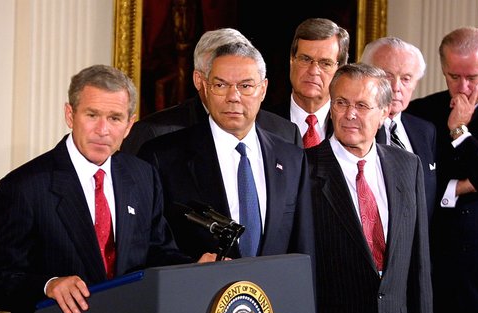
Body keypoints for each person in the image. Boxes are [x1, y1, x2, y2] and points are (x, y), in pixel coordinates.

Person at [0, 64, 216, 313]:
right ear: (69, 114)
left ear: (130, 124)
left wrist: (193, 269)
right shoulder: (23, 187)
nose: (103, 130)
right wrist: (48, 285)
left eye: (115, 118)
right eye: (92, 115)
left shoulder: (142, 177)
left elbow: (155, 250)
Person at [306, 63, 433, 313]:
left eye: (361, 105)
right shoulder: (302, 169)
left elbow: (418, 260)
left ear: (385, 112)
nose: (350, 114)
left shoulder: (408, 165)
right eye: (341, 103)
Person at [137, 42, 315, 264]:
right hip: (197, 294)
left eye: (246, 86)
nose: (234, 96)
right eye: (221, 85)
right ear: (205, 87)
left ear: (263, 89)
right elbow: (144, 246)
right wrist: (191, 268)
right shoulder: (162, 157)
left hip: (273, 297)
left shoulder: (291, 159)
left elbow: (304, 252)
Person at [405, 26, 478, 313]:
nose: (464, 88)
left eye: (472, 77)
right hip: (433, 266)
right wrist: (467, 185)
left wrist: (459, 132)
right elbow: (416, 186)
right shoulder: (422, 112)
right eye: (454, 77)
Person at [121, 28, 302, 154]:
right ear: (199, 80)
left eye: (244, 84)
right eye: (221, 81)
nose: (234, 96)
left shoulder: (285, 133)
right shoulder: (153, 134)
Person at [360, 36, 437, 222]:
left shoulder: (425, 131)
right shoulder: (354, 127)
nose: (396, 87)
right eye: (387, 76)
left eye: (406, 79)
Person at [266, 18, 349, 147]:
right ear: (291, 60)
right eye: (305, 59)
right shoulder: (261, 122)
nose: (313, 71)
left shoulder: (350, 127)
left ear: (340, 70)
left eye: (325, 63)